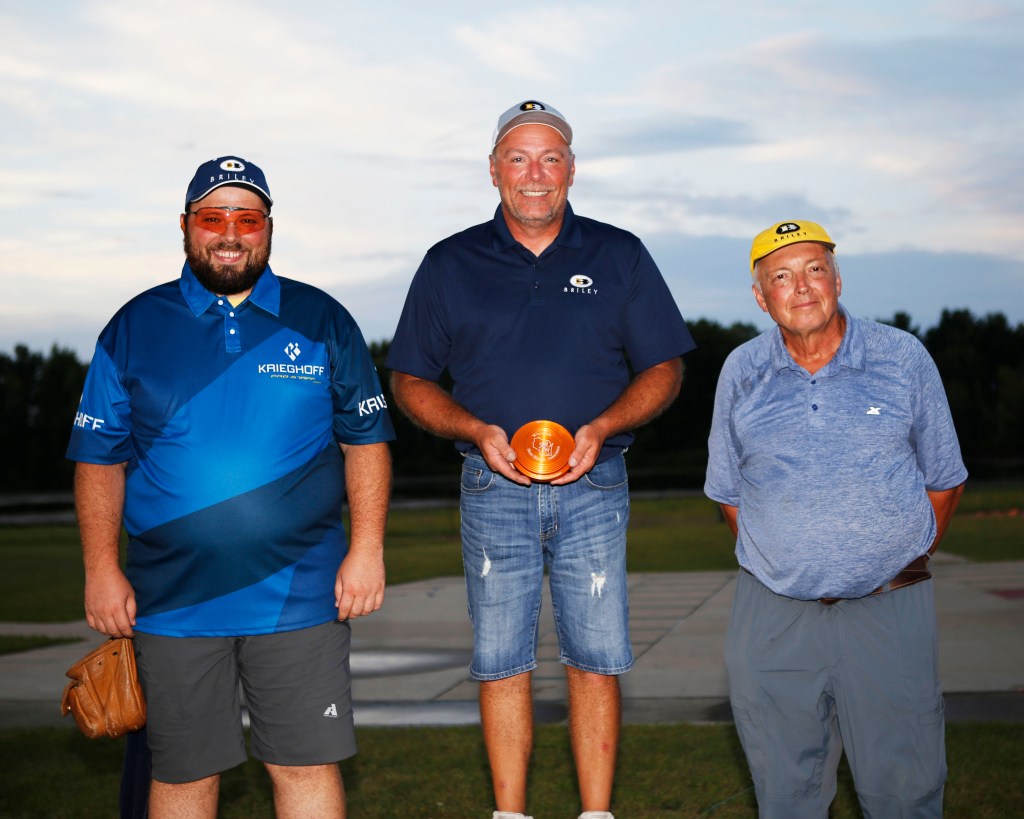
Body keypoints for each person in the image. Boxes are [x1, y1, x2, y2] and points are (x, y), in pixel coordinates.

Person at [386, 101, 696, 819]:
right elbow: (408, 378)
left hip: (596, 483)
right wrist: (473, 428)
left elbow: (664, 366)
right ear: (494, 169)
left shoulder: (619, 254)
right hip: (491, 485)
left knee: (596, 657)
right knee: (501, 661)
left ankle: (596, 814)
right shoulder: (449, 262)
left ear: (572, 170)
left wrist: (606, 423)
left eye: (550, 158)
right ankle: (510, 814)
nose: (535, 174)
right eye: (519, 158)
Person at [66, 155, 394, 818]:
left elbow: (366, 441)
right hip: (172, 599)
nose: (230, 234)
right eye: (213, 218)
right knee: (184, 775)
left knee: (305, 767)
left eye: (247, 218)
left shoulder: (322, 318)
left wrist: (367, 549)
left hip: (301, 596)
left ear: (269, 227)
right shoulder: (134, 325)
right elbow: (98, 458)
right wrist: (100, 568)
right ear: (186, 225)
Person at [705, 219, 967, 818]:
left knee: (904, 790)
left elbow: (945, 479)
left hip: (888, 610)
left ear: (838, 280)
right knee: (785, 793)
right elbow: (729, 493)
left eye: (815, 270)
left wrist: (894, 563)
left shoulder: (901, 357)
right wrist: (788, 561)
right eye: (781, 276)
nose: (801, 287)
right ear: (760, 296)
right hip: (774, 616)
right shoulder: (742, 371)